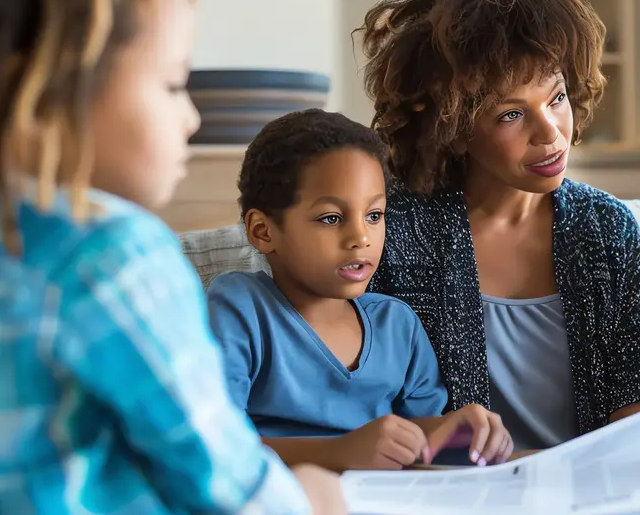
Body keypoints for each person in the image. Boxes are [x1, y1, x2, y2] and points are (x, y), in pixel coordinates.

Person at [0, 0, 344, 514]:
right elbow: (214, 465)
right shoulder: (114, 252)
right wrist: (307, 498)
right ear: (45, 94)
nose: (192, 118)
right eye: (172, 84)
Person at [358, 0, 640, 451]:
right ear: (452, 129)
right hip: (451, 491)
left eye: (557, 97)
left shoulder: (605, 227)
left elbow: (633, 390)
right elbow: (370, 398)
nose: (550, 133)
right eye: (512, 114)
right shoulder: (395, 230)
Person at [207, 109, 514, 471]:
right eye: (331, 219)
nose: (360, 238)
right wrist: (338, 453)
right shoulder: (241, 309)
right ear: (262, 231)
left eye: (374, 215)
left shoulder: (396, 323)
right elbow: (213, 440)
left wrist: (456, 430)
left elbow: (417, 432)